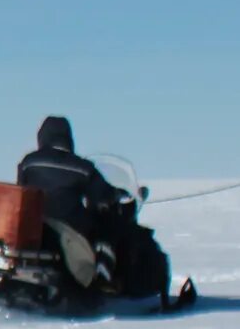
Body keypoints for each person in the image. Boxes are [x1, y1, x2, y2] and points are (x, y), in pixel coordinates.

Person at [16, 115, 171, 300]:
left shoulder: (29, 162)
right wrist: (116, 194)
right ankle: (100, 280)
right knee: (105, 230)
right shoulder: (82, 168)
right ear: (68, 138)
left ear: (43, 137)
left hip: (35, 225)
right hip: (67, 228)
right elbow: (102, 193)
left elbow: (21, 189)